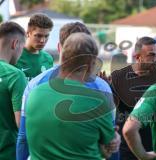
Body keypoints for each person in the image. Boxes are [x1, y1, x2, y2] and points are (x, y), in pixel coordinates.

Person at [16, 22, 120, 160]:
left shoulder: (34, 89)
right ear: (93, 61)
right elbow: (110, 146)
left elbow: (23, 138)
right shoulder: (100, 96)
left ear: (61, 51)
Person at [110, 36, 156, 160]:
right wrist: (106, 89)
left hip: (155, 147)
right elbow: (109, 109)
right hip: (126, 148)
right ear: (138, 57)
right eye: (151, 55)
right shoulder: (119, 77)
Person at [0, 21, 26, 160]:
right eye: (23, 48)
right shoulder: (15, 75)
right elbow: (21, 123)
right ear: (15, 44)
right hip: (7, 154)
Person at [15, 13, 54, 80]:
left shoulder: (48, 59)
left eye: (46, 36)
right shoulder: (15, 57)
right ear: (28, 33)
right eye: (38, 36)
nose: (42, 40)